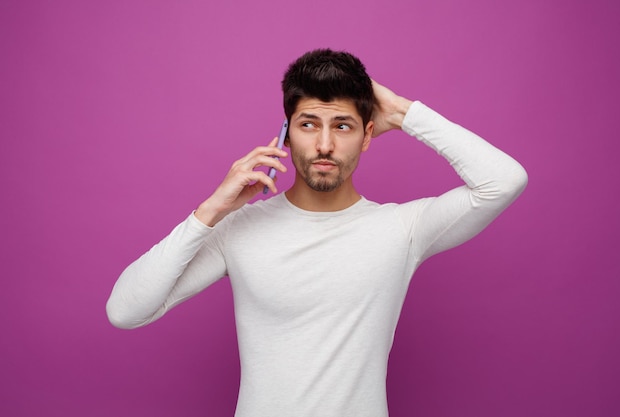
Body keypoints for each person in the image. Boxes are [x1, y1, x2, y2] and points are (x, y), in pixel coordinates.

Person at [106, 48, 528, 416]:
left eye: (342, 126)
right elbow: (125, 310)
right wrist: (213, 209)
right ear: (286, 136)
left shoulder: (403, 229)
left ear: (367, 136)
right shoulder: (240, 229)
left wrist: (403, 113)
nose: (325, 144)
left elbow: (503, 181)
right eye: (309, 124)